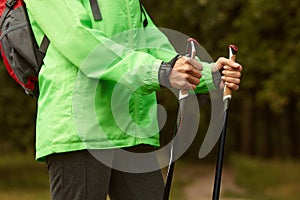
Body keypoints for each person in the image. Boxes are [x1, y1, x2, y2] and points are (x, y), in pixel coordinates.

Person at [24, 0, 242, 199]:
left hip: (132, 126)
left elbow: (155, 45)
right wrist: (160, 72)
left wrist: (209, 74)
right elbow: (81, 42)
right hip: (79, 128)